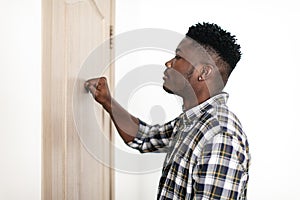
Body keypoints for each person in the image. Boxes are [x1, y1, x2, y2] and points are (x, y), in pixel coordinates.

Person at [85, 22, 250, 199]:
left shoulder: (219, 136)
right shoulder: (191, 122)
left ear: (203, 72)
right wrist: (107, 101)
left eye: (178, 57)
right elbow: (144, 137)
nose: (168, 63)